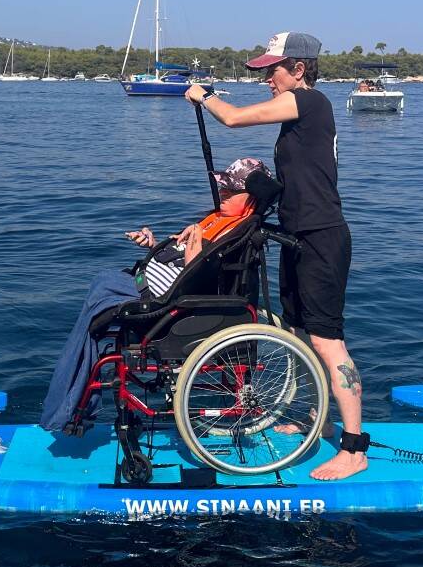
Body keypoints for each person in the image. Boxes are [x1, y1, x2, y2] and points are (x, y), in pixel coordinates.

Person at [184, 31, 365, 481]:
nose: (267, 79)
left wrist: (204, 95)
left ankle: (354, 448)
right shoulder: (297, 115)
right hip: (296, 236)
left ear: (298, 70)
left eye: (273, 70)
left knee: (328, 340)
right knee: (299, 332)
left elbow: (232, 118)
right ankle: (319, 419)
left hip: (322, 238)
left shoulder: (310, 101)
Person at [39, 158, 271, 432]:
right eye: (223, 187)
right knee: (97, 308)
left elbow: (195, 275)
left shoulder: (236, 230)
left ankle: (66, 409)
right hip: (152, 285)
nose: (223, 193)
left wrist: (195, 243)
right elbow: (179, 259)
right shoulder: (218, 220)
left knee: (97, 307)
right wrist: (154, 244)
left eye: (232, 190)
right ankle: (72, 405)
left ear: (252, 198)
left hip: (166, 301)